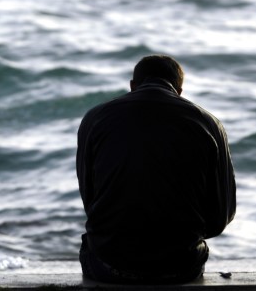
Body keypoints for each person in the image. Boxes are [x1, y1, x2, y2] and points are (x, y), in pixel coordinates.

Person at [76, 55, 236, 283]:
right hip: (181, 266)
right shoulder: (209, 124)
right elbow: (220, 217)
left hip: (107, 265)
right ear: (179, 91)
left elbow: (90, 199)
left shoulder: (95, 118)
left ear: (132, 86)